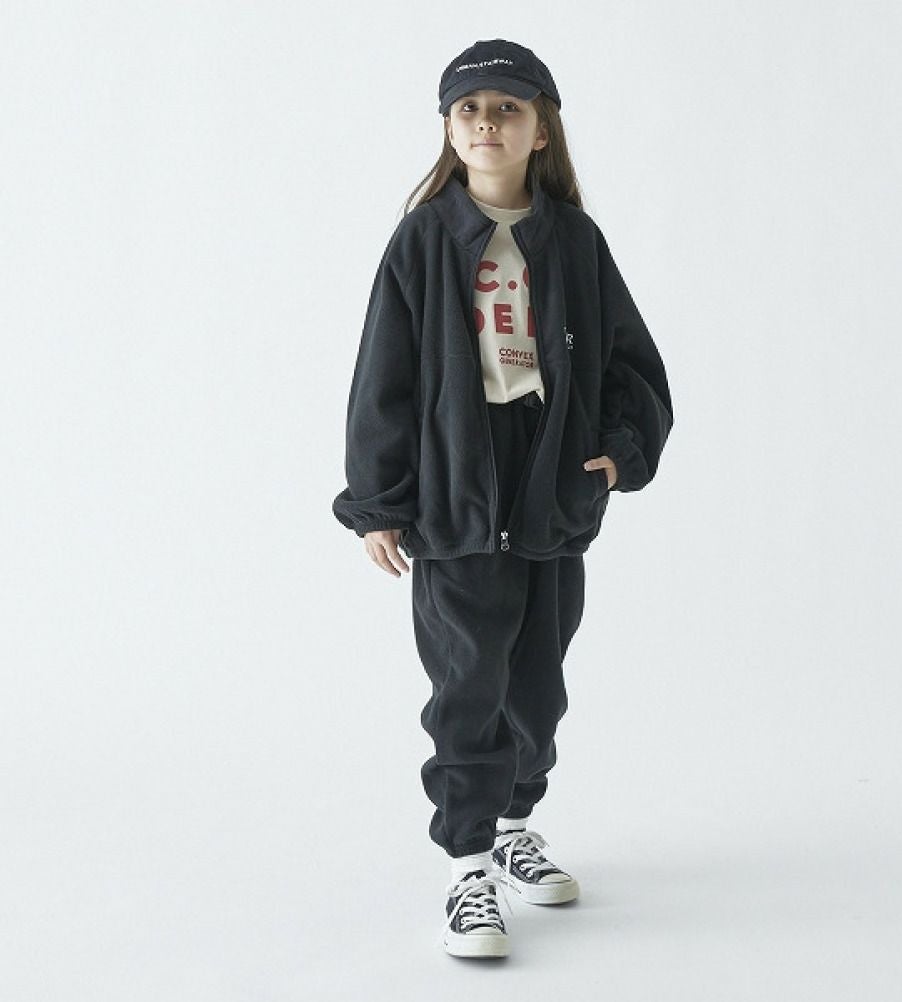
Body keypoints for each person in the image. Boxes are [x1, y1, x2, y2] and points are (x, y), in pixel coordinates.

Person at [331, 38, 674, 959]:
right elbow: (382, 378)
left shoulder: (576, 241)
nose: (488, 123)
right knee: (467, 681)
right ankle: (468, 865)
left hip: (550, 476)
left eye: (508, 109)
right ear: (449, 130)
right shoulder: (422, 241)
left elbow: (633, 365)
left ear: (541, 130)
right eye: (469, 109)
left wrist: (616, 455)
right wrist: (379, 501)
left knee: (537, 684)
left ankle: (515, 826)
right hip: (456, 478)